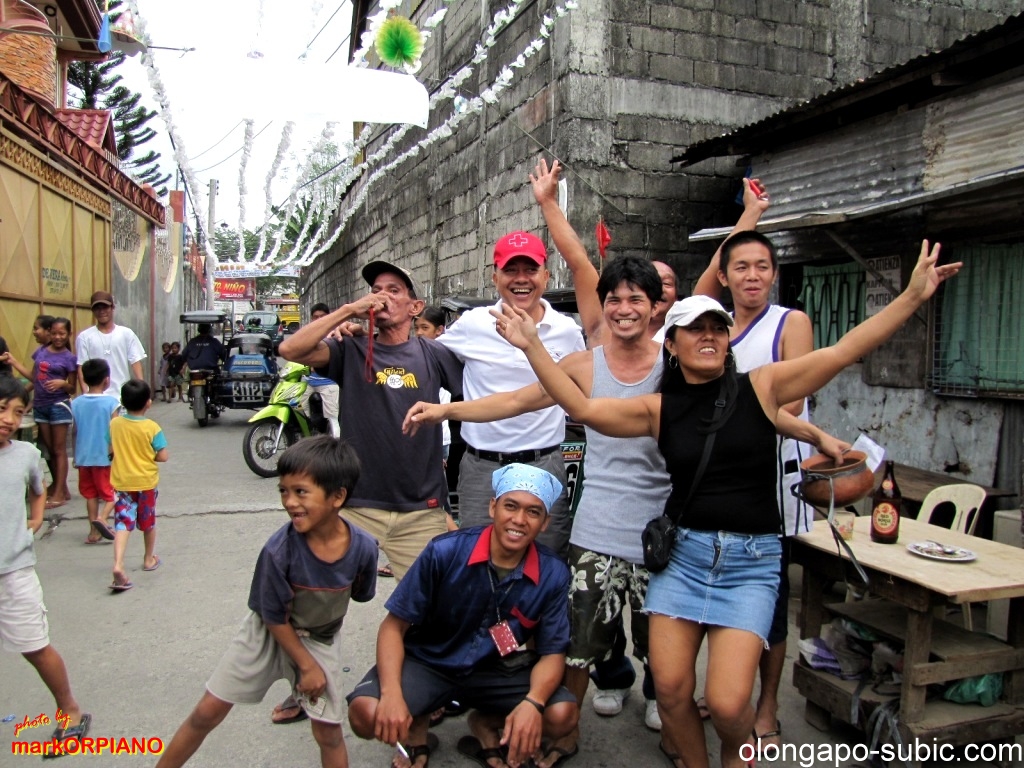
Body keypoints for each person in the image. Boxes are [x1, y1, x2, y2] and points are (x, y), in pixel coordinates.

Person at [491, 240, 959, 768]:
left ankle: (738, 753)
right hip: (685, 557)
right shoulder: (657, 408)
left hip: (751, 562)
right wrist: (532, 346)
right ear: (673, 344)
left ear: (728, 338)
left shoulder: (762, 387)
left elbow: (843, 351)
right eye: (695, 329)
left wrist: (912, 298)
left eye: (717, 328)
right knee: (669, 691)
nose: (708, 337)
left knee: (726, 703)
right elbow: (580, 406)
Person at [155, 436, 378, 768]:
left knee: (329, 734)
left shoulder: (363, 548)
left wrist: (313, 662)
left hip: (319, 638)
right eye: (283, 491)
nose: (289, 502)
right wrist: (306, 666)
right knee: (206, 713)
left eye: (301, 491)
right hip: (267, 634)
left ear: (337, 496)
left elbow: (361, 593)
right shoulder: (279, 551)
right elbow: (273, 617)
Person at [347, 464, 578, 768]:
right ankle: (418, 722)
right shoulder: (445, 551)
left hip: (496, 670)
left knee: (563, 716)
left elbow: (552, 652)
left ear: (545, 522)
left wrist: (532, 703)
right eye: (511, 506)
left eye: (533, 512)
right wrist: (392, 695)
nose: (519, 520)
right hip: (429, 662)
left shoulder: (553, 573)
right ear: (493, 507)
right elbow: (393, 627)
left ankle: (486, 723)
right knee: (365, 713)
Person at [693, 180, 813, 748]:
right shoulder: (710, 326)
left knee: (768, 601)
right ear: (727, 275)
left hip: (774, 485)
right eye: (740, 266)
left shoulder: (790, 324)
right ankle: (728, 687)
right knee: (716, 589)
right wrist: (749, 215)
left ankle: (766, 702)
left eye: (762, 266)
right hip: (716, 485)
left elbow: (790, 401)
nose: (751, 276)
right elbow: (701, 284)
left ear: (774, 274)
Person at [279, 261, 462, 581]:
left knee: (426, 612)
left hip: (421, 508)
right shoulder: (350, 348)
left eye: (394, 291)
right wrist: (348, 311)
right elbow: (290, 348)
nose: (382, 297)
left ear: (414, 307)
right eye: (376, 290)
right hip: (355, 504)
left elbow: (472, 398)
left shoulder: (433, 353)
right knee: (321, 601)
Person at [437, 231, 585, 556]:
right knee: (474, 563)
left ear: (546, 275)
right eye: (510, 270)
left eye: (530, 270)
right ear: (495, 277)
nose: (521, 280)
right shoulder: (472, 324)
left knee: (548, 564)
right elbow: (424, 362)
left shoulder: (568, 332)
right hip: (482, 469)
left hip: (544, 464)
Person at [0, 376, 91, 755]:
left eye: (17, 412)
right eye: (2, 408)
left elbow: (38, 492)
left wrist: (34, 522)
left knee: (35, 646)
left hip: (13, 571)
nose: (8, 418)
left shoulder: (24, 454)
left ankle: (69, 709)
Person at [6, 317, 77, 508]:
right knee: (50, 451)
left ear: (68, 334)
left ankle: (60, 493)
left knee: (59, 450)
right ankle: (59, 488)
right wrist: (13, 361)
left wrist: (63, 384)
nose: (58, 337)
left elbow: (72, 388)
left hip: (58, 406)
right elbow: (34, 378)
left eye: (62, 333)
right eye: (54, 333)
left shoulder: (70, 358)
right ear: (50, 333)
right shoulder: (41, 352)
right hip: (41, 406)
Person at [108, 380, 168, 591]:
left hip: (123, 483)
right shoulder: (152, 427)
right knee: (148, 522)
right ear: (148, 403)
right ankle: (148, 558)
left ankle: (118, 564)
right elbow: (163, 456)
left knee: (122, 525)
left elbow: (112, 448)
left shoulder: (115, 424)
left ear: (122, 402)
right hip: (146, 483)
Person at [71, 359, 121, 545]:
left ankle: (93, 532)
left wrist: (76, 455)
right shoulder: (111, 403)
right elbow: (114, 430)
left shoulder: (76, 403)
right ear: (107, 380)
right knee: (112, 494)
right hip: (104, 457)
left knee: (90, 494)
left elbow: (75, 431)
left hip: (84, 457)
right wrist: (114, 453)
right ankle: (103, 518)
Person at [76, 292, 146, 397]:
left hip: (122, 398)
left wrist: (142, 393)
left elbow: (135, 362)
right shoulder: (84, 337)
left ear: (112, 307)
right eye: (97, 308)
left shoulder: (126, 333)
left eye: (105, 307)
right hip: (97, 398)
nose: (101, 311)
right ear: (92, 310)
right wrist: (86, 394)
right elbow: (81, 367)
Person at [300, 303, 341, 439]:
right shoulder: (307, 334)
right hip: (308, 381)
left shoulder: (335, 334)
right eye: (315, 317)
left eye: (322, 317)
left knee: (332, 417)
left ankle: (335, 443)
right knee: (297, 407)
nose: (318, 320)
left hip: (328, 382)